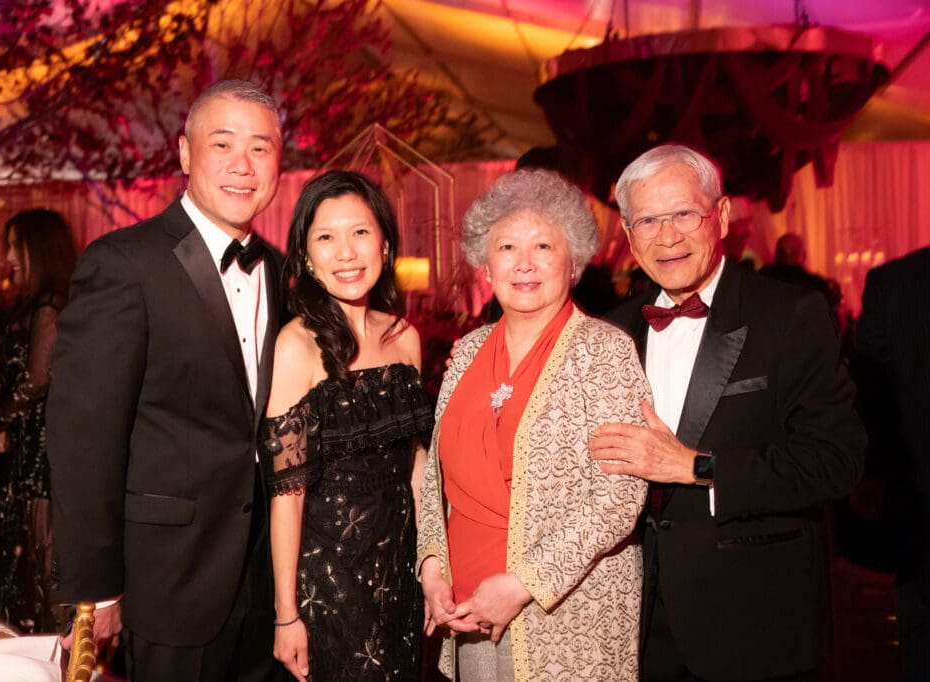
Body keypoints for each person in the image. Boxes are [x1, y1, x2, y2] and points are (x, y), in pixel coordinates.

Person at [590, 144, 866, 681]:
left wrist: (697, 467)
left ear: (720, 215)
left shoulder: (790, 315)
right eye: (648, 219)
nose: (666, 236)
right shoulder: (613, 331)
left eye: (683, 214)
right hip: (638, 624)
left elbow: (838, 459)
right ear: (627, 233)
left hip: (755, 620)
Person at [47, 80, 288, 682]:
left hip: (265, 582)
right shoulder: (123, 263)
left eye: (260, 148)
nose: (242, 165)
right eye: (223, 144)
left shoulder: (284, 271)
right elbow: (84, 440)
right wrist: (97, 591)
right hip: (165, 582)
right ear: (184, 154)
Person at [418, 168, 650, 680]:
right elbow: (437, 478)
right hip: (467, 610)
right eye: (506, 248)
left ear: (572, 263)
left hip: (566, 612)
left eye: (543, 246)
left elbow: (620, 498)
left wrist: (523, 583)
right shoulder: (469, 351)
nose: (524, 263)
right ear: (485, 266)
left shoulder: (605, 352)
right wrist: (432, 570)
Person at [262, 170, 431, 681]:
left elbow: (418, 470)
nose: (346, 253)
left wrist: (430, 566)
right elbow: (286, 494)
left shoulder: (406, 337)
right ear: (307, 256)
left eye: (359, 233)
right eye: (326, 238)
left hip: (400, 569)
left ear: (384, 243)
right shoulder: (297, 345)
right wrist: (286, 612)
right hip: (330, 578)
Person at [0, 208, 77, 632]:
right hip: (23, 451)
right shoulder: (35, 304)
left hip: (41, 454)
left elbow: (38, 379)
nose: (8, 257)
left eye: (15, 246)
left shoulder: (52, 305)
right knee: (22, 559)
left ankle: (53, 658)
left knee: (41, 560)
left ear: (38, 248)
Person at [854, 246, 930, 681]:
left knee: (921, 623)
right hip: (911, 486)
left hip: (915, 483)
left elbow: (871, 395)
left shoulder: (893, 282)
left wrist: (872, 475)